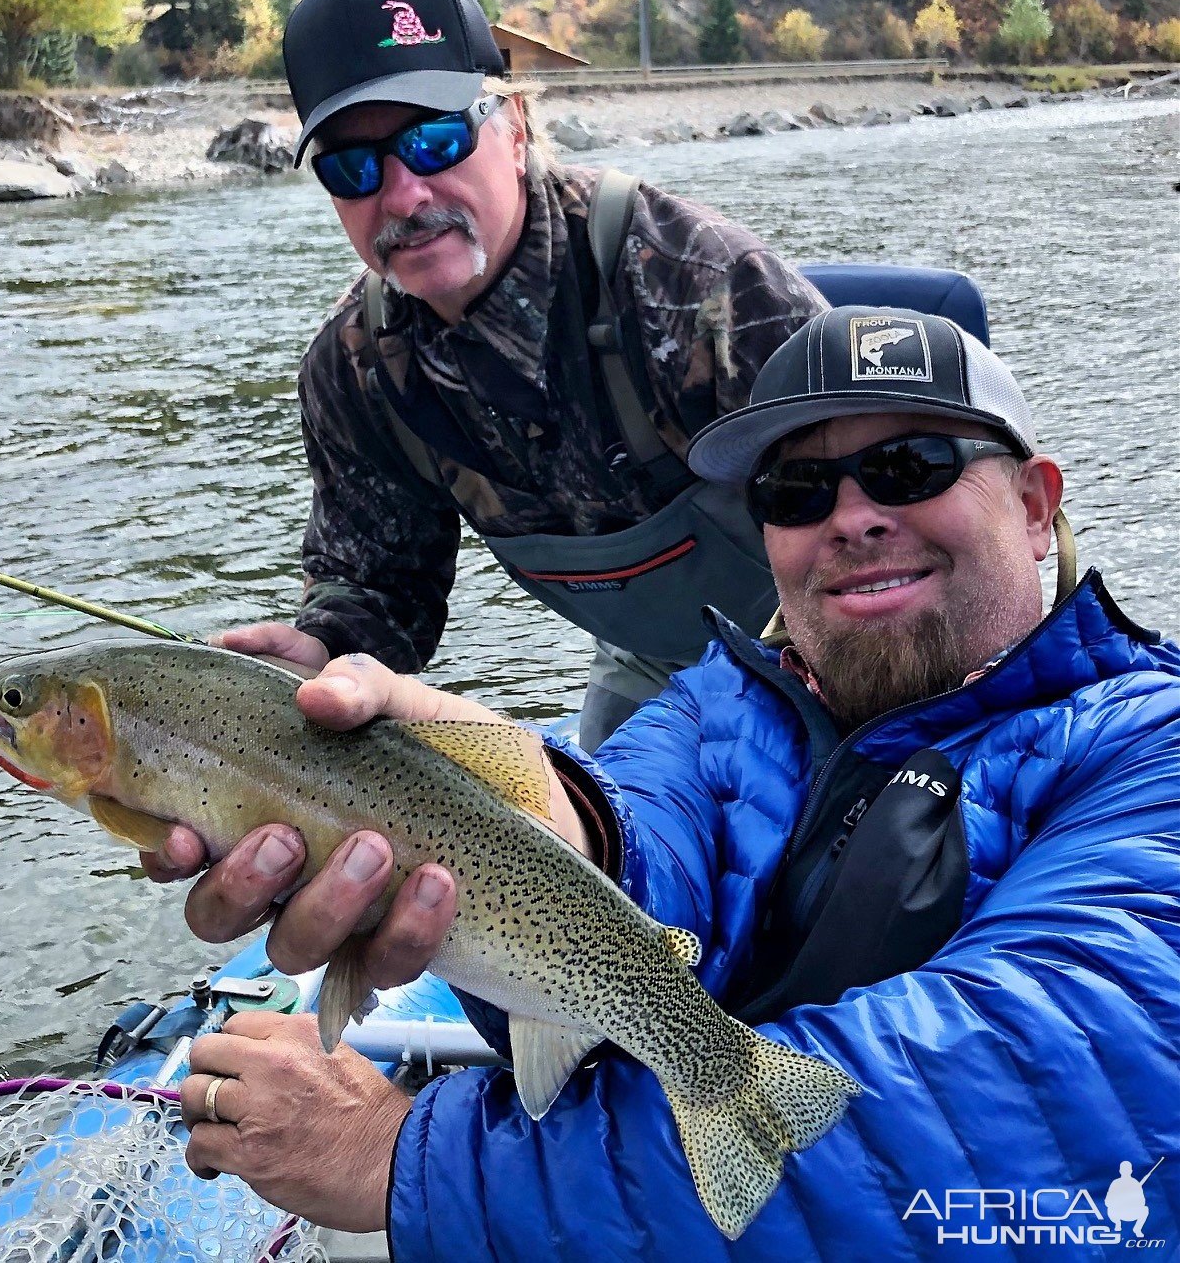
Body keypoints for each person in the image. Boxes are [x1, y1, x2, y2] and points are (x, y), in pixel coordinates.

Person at [167, 305, 1180, 1256]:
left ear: (1037, 504)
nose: (853, 517)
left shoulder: (1153, 753)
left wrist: (404, 1161)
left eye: (910, 466)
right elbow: (624, 830)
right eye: (798, 491)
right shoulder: (709, 710)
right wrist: (528, 821)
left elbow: (1021, 1099)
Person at [211, 0, 824, 754]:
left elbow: (890, 525)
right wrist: (324, 650)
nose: (402, 195)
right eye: (352, 167)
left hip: (840, 646)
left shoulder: (696, 283)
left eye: (433, 140)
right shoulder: (355, 371)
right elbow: (379, 588)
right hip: (655, 671)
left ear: (514, 128)